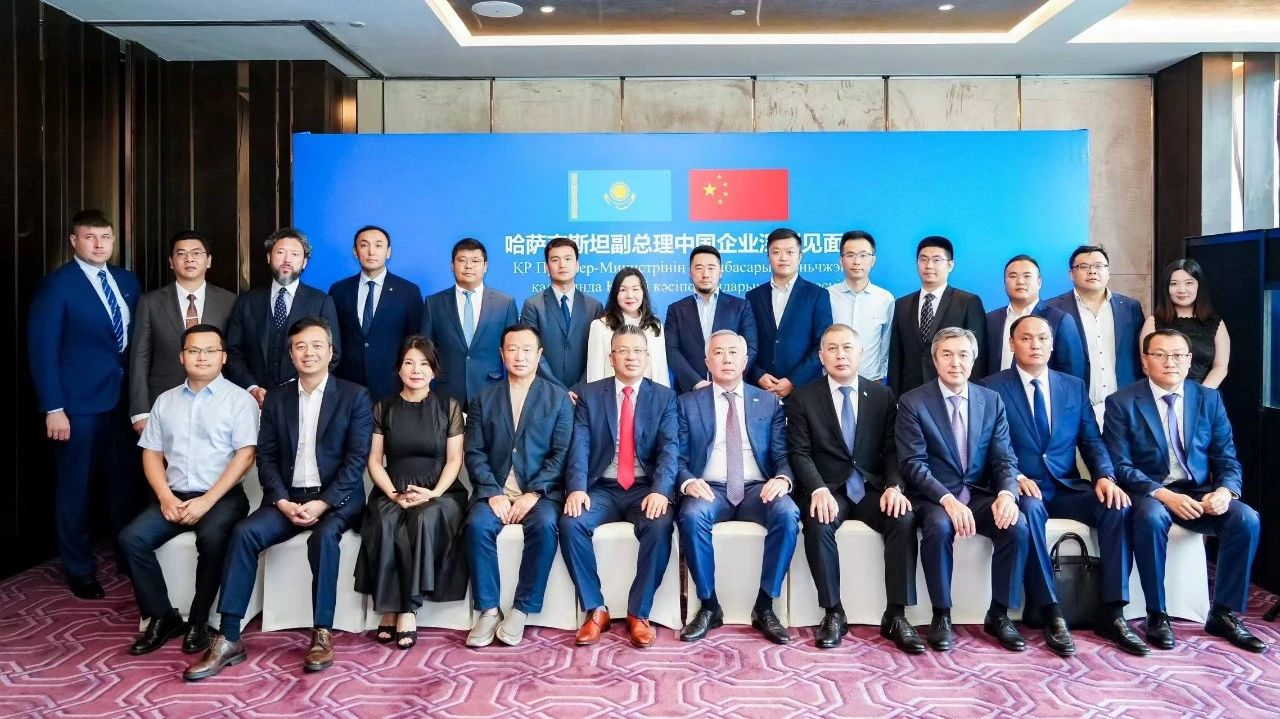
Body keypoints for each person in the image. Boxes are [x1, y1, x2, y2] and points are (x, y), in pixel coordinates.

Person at [185, 317, 372, 680]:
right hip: (287, 498)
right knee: (244, 533)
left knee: (324, 538)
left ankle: (322, 633)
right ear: (291, 354)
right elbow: (266, 457)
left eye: (316, 345)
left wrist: (324, 503)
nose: (308, 352)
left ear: (330, 352)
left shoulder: (355, 396)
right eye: (300, 346)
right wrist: (282, 500)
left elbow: (356, 460)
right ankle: (229, 636)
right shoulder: (277, 398)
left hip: (336, 500)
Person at [980, 315, 1147, 656]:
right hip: (1023, 486)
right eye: (1026, 338)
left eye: (1042, 338)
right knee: (1029, 512)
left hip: (1066, 485)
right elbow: (986, 447)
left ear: (1052, 344)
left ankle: (1113, 611)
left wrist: (1104, 476)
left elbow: (1092, 441)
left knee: (1117, 506)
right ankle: (1051, 611)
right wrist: (1013, 479)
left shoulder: (1072, 386)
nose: (1035, 345)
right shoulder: (991, 388)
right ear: (1012, 344)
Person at [1103, 329, 1266, 653]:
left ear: (1189, 360)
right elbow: (1120, 465)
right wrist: (1165, 496)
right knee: (1150, 518)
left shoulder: (1208, 399)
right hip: (1151, 493)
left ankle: (1223, 613)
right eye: (1160, 355)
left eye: (1178, 355)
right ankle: (1157, 614)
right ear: (1145, 361)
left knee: (1246, 519)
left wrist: (1225, 492)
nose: (1170, 362)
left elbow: (1226, 458)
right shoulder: (1122, 402)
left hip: (1200, 492)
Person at [118, 325, 258, 656]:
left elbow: (246, 455)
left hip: (221, 497)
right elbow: (151, 453)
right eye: (194, 350)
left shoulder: (239, 400)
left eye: (210, 351)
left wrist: (207, 501)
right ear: (182, 357)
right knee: (130, 539)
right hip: (175, 496)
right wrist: (165, 497)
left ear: (223, 358)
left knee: (211, 539)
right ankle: (162, 616)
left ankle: (198, 621)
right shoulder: (165, 401)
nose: (202, 357)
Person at [28, 209, 142, 599]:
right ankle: (79, 568)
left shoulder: (127, 281)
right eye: (90, 237)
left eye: (105, 237)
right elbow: (42, 350)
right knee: (75, 488)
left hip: (124, 402)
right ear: (74, 241)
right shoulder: (57, 285)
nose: (98, 244)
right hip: (77, 406)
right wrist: (53, 407)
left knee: (125, 484)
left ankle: (128, 556)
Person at [787, 324, 921, 652]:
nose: (840, 355)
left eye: (847, 347)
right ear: (821, 356)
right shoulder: (803, 397)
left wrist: (894, 486)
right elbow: (799, 452)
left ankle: (896, 614)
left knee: (903, 518)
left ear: (861, 353)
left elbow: (892, 450)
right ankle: (833, 612)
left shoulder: (882, 396)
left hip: (872, 488)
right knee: (817, 522)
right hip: (829, 489)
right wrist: (817, 489)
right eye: (832, 348)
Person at [897, 327, 1029, 653]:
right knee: (939, 526)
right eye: (947, 354)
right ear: (935, 360)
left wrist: (1006, 494)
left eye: (963, 355)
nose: (955, 362)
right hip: (933, 495)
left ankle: (999, 613)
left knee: (1017, 525)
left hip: (978, 493)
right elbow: (913, 463)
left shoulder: (991, 400)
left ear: (974, 359)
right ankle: (941, 614)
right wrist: (946, 499)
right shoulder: (913, 401)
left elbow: (1003, 457)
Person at [560, 325, 679, 648]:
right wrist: (577, 488)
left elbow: (670, 450)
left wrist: (661, 491)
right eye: (623, 351)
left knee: (660, 524)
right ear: (611, 358)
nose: (630, 357)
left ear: (647, 357)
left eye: (637, 351)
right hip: (602, 486)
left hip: (644, 487)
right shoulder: (590, 395)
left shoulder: (664, 397)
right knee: (571, 523)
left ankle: (638, 613)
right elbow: (580, 445)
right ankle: (596, 609)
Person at [676, 330, 798, 644]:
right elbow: (676, 456)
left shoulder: (768, 401)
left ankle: (765, 606)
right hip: (710, 488)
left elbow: (782, 455)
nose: (727, 359)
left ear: (745, 361)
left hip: (757, 488)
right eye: (718, 352)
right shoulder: (688, 403)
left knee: (787, 512)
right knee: (691, 515)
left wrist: (782, 479)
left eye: (733, 352)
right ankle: (709, 606)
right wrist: (688, 481)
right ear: (707, 362)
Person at [354, 335, 469, 650]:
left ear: (434, 370)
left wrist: (433, 493)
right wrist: (393, 493)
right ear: (399, 369)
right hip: (394, 487)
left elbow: (455, 460)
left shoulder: (448, 407)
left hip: (441, 492)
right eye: (409, 363)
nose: (416, 370)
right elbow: (374, 461)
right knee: (385, 520)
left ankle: (406, 609)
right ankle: (390, 606)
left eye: (423, 364)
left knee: (422, 519)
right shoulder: (383, 408)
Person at [463, 324, 573, 647]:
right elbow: (475, 452)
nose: (519, 356)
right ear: (502, 354)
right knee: (476, 525)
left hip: (540, 494)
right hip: (495, 491)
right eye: (512, 349)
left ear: (539, 355)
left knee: (546, 525)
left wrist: (534, 493)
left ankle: (522, 608)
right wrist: (491, 491)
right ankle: (488, 609)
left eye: (527, 350)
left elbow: (561, 454)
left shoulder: (558, 399)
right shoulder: (484, 398)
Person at [128, 231, 237, 432]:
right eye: (181, 253)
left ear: (209, 260)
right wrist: (140, 411)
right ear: (171, 262)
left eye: (196, 253)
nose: (189, 259)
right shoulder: (150, 302)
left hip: (217, 400)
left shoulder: (229, 301)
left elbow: (236, 353)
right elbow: (140, 357)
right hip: (163, 399)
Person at [225, 227, 341, 408]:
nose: (287, 260)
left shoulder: (321, 302)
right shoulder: (247, 301)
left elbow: (333, 354)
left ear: (304, 262)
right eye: (281, 252)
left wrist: (296, 386)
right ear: (269, 257)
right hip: (251, 402)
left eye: (295, 254)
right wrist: (252, 387)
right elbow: (233, 351)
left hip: (302, 401)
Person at [420, 238, 519, 406]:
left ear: (485, 266)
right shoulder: (434, 303)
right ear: (452, 265)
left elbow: (513, 348)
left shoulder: (504, 303)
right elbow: (425, 350)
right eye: (462, 260)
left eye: (475, 261)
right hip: (445, 391)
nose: (468, 266)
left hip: (491, 389)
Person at [329, 225, 424, 401]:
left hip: (392, 386)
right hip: (347, 385)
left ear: (388, 252)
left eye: (378, 245)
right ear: (355, 251)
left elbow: (415, 340)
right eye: (364, 245)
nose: (371, 251)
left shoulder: (408, 291)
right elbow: (333, 338)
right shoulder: (339, 290)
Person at [1045, 245, 1144, 407]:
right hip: (1073, 403)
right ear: (1071, 274)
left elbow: (1139, 355)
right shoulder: (1053, 309)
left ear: (1108, 272)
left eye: (1099, 266)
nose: (1092, 271)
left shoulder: (1130, 307)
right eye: (1084, 266)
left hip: (1125, 403)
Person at [888, 236, 987, 396]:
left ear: (950, 265)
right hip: (911, 393)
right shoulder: (902, 304)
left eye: (936, 260)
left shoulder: (967, 302)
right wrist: (895, 397)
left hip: (953, 392)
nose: (929, 266)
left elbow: (977, 356)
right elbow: (896, 357)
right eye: (923, 259)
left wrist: (972, 397)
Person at [746, 228, 831, 398]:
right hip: (762, 389)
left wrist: (793, 381)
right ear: (768, 257)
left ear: (800, 256)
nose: (783, 258)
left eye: (790, 252)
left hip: (805, 390)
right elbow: (747, 344)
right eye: (776, 252)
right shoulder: (753, 296)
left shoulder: (817, 295)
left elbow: (822, 344)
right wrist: (757, 375)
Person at [665, 245, 759, 393]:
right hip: (690, 392)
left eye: (711, 268)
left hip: (731, 390)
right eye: (699, 268)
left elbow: (751, 348)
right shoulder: (676, 310)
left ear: (720, 272)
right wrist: (696, 382)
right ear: (690, 273)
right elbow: (671, 350)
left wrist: (729, 378)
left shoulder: (741, 306)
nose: (705, 274)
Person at [983, 254, 1085, 381]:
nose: (1020, 281)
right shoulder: (990, 320)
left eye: (1027, 276)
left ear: (1039, 282)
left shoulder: (1060, 320)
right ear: (1004, 282)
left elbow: (1072, 374)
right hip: (994, 391)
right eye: (1013, 276)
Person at [521, 237, 603, 395]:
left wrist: (580, 388)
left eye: (568, 259)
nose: (562, 265)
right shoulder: (533, 305)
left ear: (577, 265)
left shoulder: (594, 306)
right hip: (545, 392)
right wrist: (559, 391)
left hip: (584, 393)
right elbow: (531, 351)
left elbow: (597, 353)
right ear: (546, 267)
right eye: (555, 260)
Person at [1140, 258, 1229, 388]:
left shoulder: (1216, 323)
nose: (1182, 290)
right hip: (1165, 394)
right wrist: (1174, 394)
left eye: (1189, 283)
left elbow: (1221, 367)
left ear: (1199, 286)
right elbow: (1147, 366)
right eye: (1174, 284)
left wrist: (1200, 394)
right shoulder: (1153, 322)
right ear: (1166, 288)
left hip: (1205, 392)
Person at [826, 231, 894, 382]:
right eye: (850, 255)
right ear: (841, 260)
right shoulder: (826, 296)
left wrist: (880, 376)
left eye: (863, 255)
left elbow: (886, 345)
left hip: (871, 381)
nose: (857, 261)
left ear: (873, 260)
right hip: (831, 382)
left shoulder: (885, 299)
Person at [586, 268, 670, 387]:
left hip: (649, 395)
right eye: (623, 290)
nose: (630, 295)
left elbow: (661, 371)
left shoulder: (655, 326)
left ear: (643, 292)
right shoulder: (600, 326)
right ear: (615, 294)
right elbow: (594, 374)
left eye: (635, 289)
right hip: (611, 395)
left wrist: (664, 396)